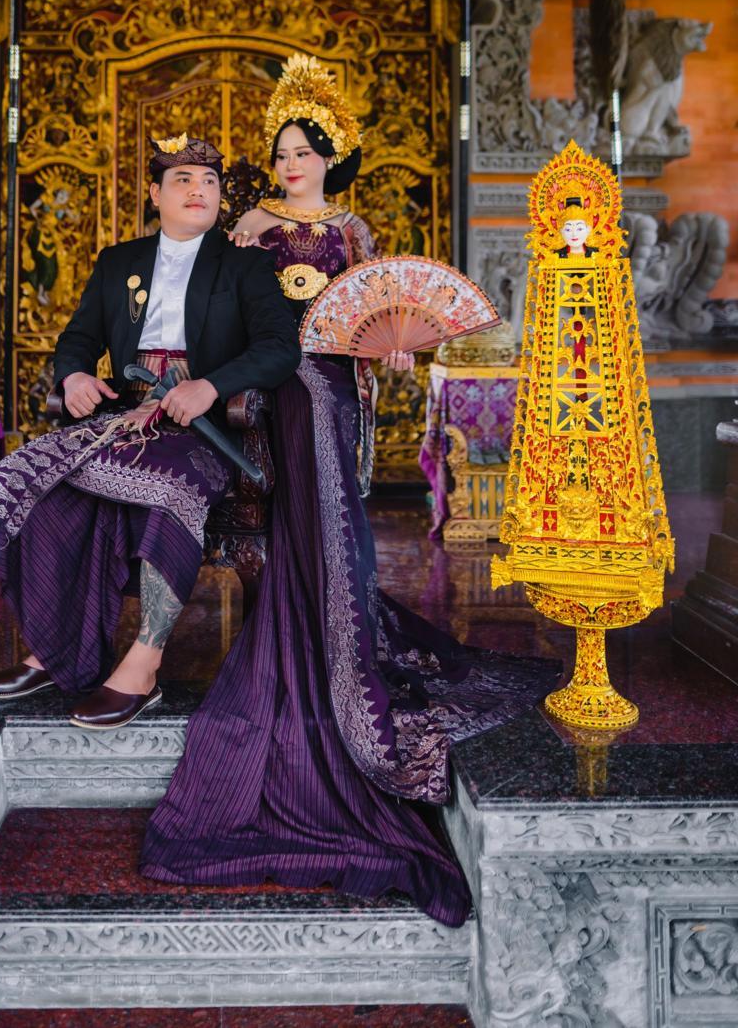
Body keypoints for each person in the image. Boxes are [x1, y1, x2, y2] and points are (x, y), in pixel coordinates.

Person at [141, 55, 559, 927]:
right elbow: (223, 313)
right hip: (266, 385)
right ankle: (305, 618)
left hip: (332, 388)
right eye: (281, 151)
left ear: (331, 156)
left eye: (304, 151)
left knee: (326, 461)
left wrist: (393, 349)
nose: (290, 163)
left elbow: (368, 321)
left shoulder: (354, 231)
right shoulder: (250, 225)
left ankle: (327, 624)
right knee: (291, 431)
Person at [0, 134, 301, 728]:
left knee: (167, 490)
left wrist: (211, 386)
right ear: (155, 193)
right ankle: (51, 649)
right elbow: (78, 338)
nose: (199, 190)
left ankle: (143, 664)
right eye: (183, 180)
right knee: (35, 481)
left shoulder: (244, 263)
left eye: (209, 182)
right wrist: (74, 374)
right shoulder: (118, 261)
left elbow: (280, 348)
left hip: (200, 427)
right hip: (123, 416)